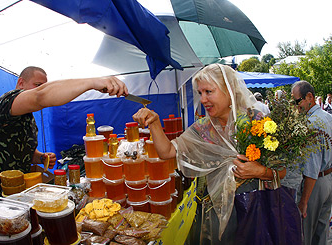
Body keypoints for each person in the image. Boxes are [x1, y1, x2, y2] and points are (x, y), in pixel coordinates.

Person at [133, 64, 289, 244]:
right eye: (200, 93)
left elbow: (282, 170)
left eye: (209, 91)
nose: (203, 99)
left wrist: (259, 171)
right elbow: (167, 151)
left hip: (252, 213)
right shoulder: (202, 128)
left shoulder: (256, 121)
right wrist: (154, 123)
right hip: (214, 218)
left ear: (228, 90)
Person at [0, 66, 128, 206]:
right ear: (20, 83)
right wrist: (93, 82)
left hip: (13, 194)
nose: (40, 89)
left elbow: (18, 149)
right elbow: (40, 96)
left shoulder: (27, 117)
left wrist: (40, 157)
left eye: (44, 86)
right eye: (37, 85)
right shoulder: (7, 102)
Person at [292, 81, 332, 245]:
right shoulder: (327, 117)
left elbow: (311, 169)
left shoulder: (311, 123)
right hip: (327, 179)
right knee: (321, 234)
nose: (296, 107)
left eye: (297, 101)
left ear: (309, 97)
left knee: (306, 235)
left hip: (315, 184)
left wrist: (304, 202)